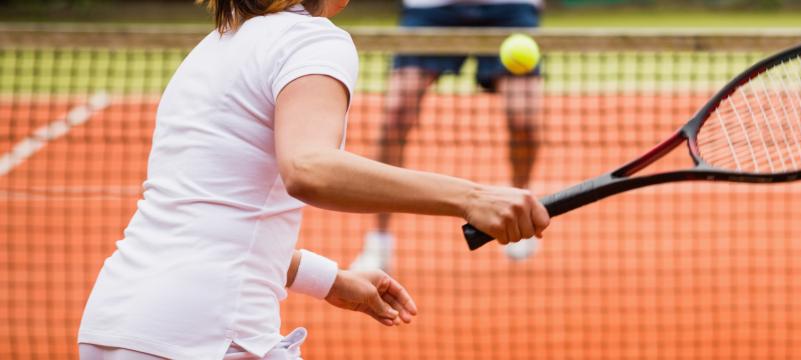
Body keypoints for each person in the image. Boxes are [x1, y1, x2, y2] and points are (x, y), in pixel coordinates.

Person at [77, 0, 549, 358]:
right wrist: (471, 197)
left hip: (117, 324)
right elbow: (308, 168)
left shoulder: (214, 47)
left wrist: (331, 280)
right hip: (205, 334)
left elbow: (206, 227)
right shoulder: (313, 40)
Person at [350, 0, 544, 271]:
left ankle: (519, 207)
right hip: (430, 9)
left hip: (507, 7)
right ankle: (379, 241)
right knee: (396, 114)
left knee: (524, 120)